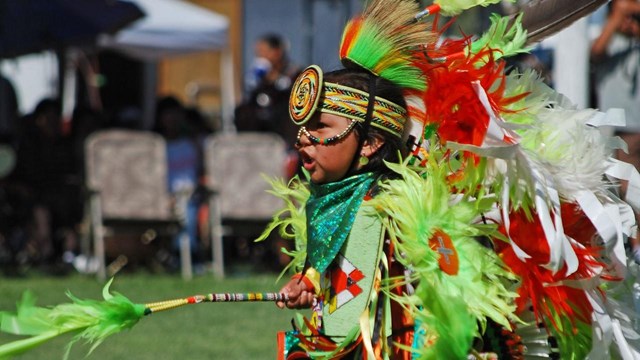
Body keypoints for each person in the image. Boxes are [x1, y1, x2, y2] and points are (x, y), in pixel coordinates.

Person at [260, 0, 640, 359]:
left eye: (320, 128)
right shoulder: (328, 199)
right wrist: (309, 282)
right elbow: (342, 264)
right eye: (303, 130)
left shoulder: (413, 207)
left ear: (372, 143)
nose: (304, 141)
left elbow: (451, 290)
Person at [591, 0, 640, 263]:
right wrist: (619, 14)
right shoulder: (610, 44)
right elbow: (596, 51)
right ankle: (635, 242)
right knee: (627, 188)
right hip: (620, 131)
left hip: (636, 130)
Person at [235, 33, 301, 178]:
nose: (260, 58)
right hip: (260, 148)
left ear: (277, 52)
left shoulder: (294, 75)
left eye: (264, 53)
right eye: (258, 54)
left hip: (288, 146)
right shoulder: (258, 82)